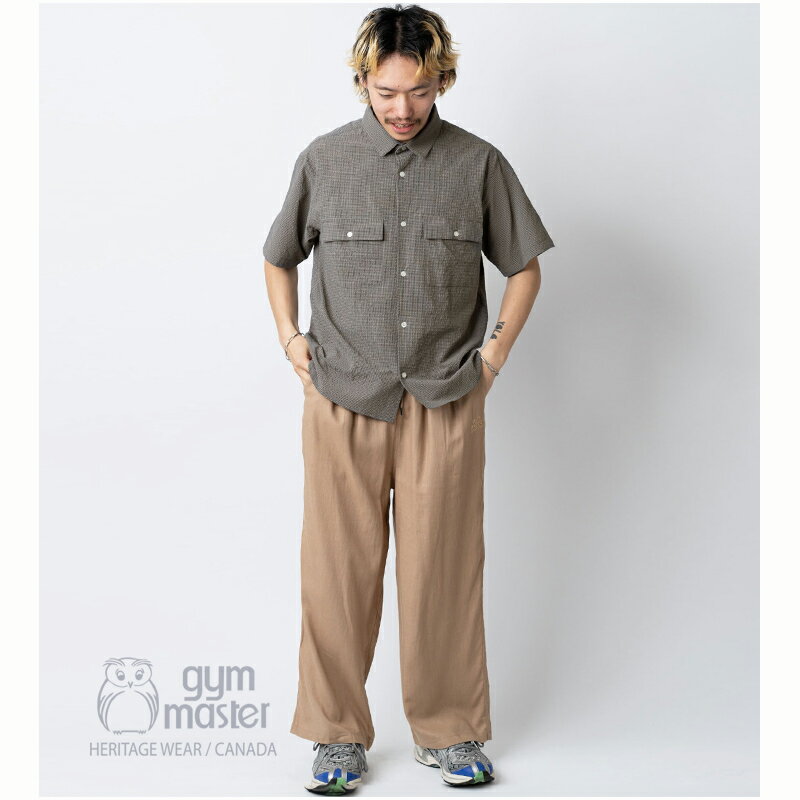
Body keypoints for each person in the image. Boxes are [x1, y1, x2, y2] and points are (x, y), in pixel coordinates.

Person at [262, 4, 554, 793]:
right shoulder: (324, 160)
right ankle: (336, 736)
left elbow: (524, 267)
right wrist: (291, 341)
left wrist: (493, 357)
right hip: (342, 397)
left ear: (442, 81)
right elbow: (279, 256)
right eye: (387, 91)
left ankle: (450, 731)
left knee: (443, 572)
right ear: (362, 80)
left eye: (420, 91)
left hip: (446, 396)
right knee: (336, 573)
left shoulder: (478, 164)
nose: (402, 108)